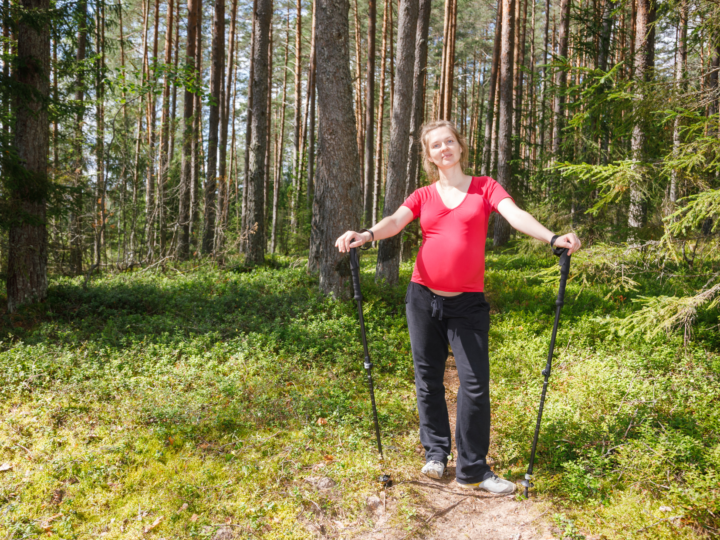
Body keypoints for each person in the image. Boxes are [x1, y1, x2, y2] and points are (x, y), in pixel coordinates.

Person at [335, 120, 581, 494]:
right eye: (436, 145)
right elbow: (395, 222)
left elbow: (514, 215)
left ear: (460, 147)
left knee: (475, 385)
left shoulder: (485, 187)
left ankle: (473, 469)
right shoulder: (422, 194)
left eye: (449, 141)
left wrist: (552, 236)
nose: (444, 149)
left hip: (467, 304)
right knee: (428, 380)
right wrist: (366, 234)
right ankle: (436, 453)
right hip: (422, 299)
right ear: (429, 155)